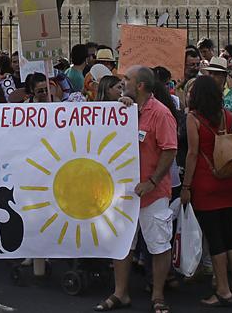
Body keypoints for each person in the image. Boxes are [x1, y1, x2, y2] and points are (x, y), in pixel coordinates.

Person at [96, 66, 177, 313]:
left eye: (127, 79)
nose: (123, 82)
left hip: (153, 194)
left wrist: (151, 182)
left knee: (158, 245)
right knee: (122, 244)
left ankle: (158, 295)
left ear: (140, 85)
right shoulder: (126, 110)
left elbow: (170, 149)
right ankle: (120, 293)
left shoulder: (161, 114)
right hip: (124, 193)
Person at [182, 73, 232, 307]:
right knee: (230, 233)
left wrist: (187, 186)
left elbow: (192, 153)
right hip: (228, 179)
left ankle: (223, 289)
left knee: (214, 236)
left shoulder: (193, 119)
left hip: (206, 181)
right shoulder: (226, 116)